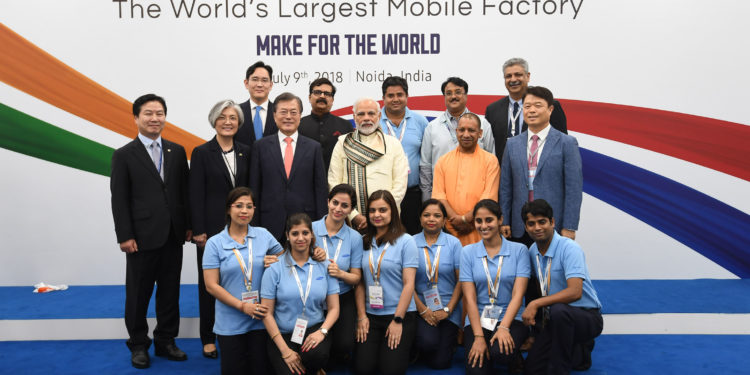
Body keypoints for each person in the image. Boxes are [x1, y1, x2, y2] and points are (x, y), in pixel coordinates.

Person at [110, 93, 191, 368]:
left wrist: (188, 225)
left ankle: (166, 341)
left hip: (173, 234)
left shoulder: (177, 151)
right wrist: (125, 235)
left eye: (159, 113)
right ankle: (138, 345)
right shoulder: (123, 155)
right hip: (141, 238)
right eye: (148, 113)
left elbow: (183, 192)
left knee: (170, 292)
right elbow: (119, 199)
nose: (155, 118)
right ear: (136, 117)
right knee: (138, 294)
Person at [189, 99, 250, 359]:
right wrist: (198, 229)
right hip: (211, 231)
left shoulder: (247, 151)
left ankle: (240, 331)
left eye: (233, 117)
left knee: (242, 280)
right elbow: (195, 193)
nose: (228, 122)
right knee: (210, 286)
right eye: (222, 117)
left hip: (243, 228)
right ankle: (208, 337)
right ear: (214, 121)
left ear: (239, 123)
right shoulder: (202, 152)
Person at [202, 187, 284, 374]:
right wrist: (242, 306)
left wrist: (274, 261)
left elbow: (287, 260)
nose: (244, 211)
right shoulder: (215, 243)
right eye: (239, 206)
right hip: (230, 322)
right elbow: (211, 285)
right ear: (228, 210)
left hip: (262, 319)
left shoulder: (263, 235)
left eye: (249, 206)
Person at [520, 199, 602, 375]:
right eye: (531, 224)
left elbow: (575, 292)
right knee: (532, 368)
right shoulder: (532, 250)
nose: (537, 228)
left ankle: (561, 369)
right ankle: (578, 349)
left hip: (586, 316)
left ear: (552, 222)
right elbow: (538, 287)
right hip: (556, 320)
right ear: (526, 228)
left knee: (559, 311)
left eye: (542, 222)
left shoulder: (569, 248)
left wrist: (536, 304)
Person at [500, 86, 582, 247]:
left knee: (552, 271)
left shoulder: (566, 143)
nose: (531, 111)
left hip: (554, 225)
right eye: (527, 106)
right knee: (522, 271)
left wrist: (569, 226)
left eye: (538, 106)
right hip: (519, 226)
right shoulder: (512, 144)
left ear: (550, 109)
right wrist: (505, 220)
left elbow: (574, 188)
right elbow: (505, 187)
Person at [261, 213, 341, 375]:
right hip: (282, 333)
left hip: (313, 328)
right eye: (295, 233)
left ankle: (315, 366)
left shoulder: (325, 265)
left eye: (305, 233)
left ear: (312, 235)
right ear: (287, 236)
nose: (300, 238)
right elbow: (266, 313)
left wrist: (322, 332)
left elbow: (334, 308)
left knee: (316, 355)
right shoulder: (274, 268)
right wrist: (285, 351)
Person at [460, 199, 530, 375]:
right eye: (479, 221)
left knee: (501, 353)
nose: (483, 226)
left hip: (512, 317)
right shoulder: (467, 252)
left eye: (489, 220)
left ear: (500, 220)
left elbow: (518, 294)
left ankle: (512, 354)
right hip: (479, 319)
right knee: (476, 371)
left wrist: (504, 327)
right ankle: (494, 348)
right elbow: (470, 299)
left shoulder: (519, 250)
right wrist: (478, 337)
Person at [354, 190, 418, 375]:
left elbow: (409, 284)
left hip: (399, 315)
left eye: (382, 210)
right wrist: (361, 316)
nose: (377, 215)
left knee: (390, 370)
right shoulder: (363, 241)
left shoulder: (406, 241)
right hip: (370, 315)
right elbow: (359, 283)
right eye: (372, 211)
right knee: (362, 369)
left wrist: (398, 320)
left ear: (393, 212)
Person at [250, 92, 328, 243]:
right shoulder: (260, 147)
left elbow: (320, 189)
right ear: (274, 115)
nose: (288, 117)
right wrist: (254, 225)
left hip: (305, 225)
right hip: (269, 224)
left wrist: (319, 227)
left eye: (293, 112)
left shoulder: (313, 148)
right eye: (283, 112)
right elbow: (255, 188)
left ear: (300, 115)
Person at [328, 98, 409, 231]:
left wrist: (381, 213)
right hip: (348, 219)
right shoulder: (343, 143)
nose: (366, 118)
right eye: (361, 114)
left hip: (386, 219)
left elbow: (400, 185)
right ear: (354, 117)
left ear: (379, 116)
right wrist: (353, 215)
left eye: (371, 114)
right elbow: (334, 183)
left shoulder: (393, 144)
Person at [311, 184, 364, 365]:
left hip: (342, 296)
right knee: (317, 351)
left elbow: (356, 277)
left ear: (350, 209)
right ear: (328, 202)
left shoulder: (355, 237)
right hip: (314, 296)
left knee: (343, 345)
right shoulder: (310, 229)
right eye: (335, 203)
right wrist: (312, 256)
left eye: (344, 206)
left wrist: (341, 273)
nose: (338, 209)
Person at [420, 77, 495, 201]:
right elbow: (425, 168)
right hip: (441, 199)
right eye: (448, 93)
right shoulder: (432, 127)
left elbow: (492, 161)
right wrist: (428, 201)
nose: (453, 96)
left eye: (458, 92)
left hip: (477, 198)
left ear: (466, 95)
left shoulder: (483, 124)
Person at [432, 113, 500, 246]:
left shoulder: (490, 161)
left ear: (480, 133)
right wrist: (456, 220)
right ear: (456, 132)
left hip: (480, 228)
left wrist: (468, 219)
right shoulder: (443, 161)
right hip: (450, 230)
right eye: (462, 130)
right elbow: (439, 195)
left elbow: (489, 197)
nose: (466, 134)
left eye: (471, 130)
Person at [412, 199, 463, 369]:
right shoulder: (410, 243)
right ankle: (419, 345)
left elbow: (461, 281)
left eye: (437, 215)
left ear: (444, 220)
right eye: (426, 215)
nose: (431, 219)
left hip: (449, 307)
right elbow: (406, 283)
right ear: (420, 219)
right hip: (420, 307)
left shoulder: (454, 243)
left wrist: (447, 310)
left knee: (440, 363)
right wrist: (423, 310)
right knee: (428, 342)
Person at [485, 58, 568, 161]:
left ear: (528, 76)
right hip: (504, 172)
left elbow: (562, 143)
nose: (513, 79)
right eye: (508, 76)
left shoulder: (548, 105)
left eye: (518, 75)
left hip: (539, 171)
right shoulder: (492, 110)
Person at [378, 76, 429, 235]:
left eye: (399, 95)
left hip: (413, 194)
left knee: (413, 239)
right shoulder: (374, 121)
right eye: (390, 95)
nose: (395, 99)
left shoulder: (420, 121)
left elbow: (427, 158)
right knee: (385, 239)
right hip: (383, 195)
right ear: (383, 98)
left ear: (407, 96)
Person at [298, 77, 354, 171]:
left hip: (337, 182)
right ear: (309, 97)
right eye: (317, 92)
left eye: (327, 94)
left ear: (332, 100)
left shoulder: (346, 126)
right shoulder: (298, 125)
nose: (322, 96)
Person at [235, 61, 277, 148]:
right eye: (255, 79)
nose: (259, 85)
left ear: (271, 85)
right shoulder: (236, 112)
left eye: (264, 80)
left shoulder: (279, 112)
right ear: (246, 83)